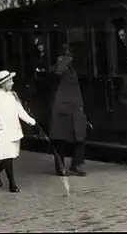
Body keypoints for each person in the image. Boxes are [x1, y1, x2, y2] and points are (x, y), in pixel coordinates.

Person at [0, 70, 36, 193]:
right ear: (3, 84)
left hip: (14, 130)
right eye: (9, 81)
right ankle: (12, 184)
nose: (12, 83)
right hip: (1, 131)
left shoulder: (13, 95)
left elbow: (20, 111)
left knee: (10, 156)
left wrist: (30, 120)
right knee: (8, 156)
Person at [49, 44, 88, 177]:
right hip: (62, 112)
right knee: (60, 141)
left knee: (79, 139)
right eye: (67, 55)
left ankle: (76, 165)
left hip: (75, 110)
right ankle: (60, 168)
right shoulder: (57, 69)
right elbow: (57, 72)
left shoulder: (71, 70)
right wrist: (64, 59)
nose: (70, 58)